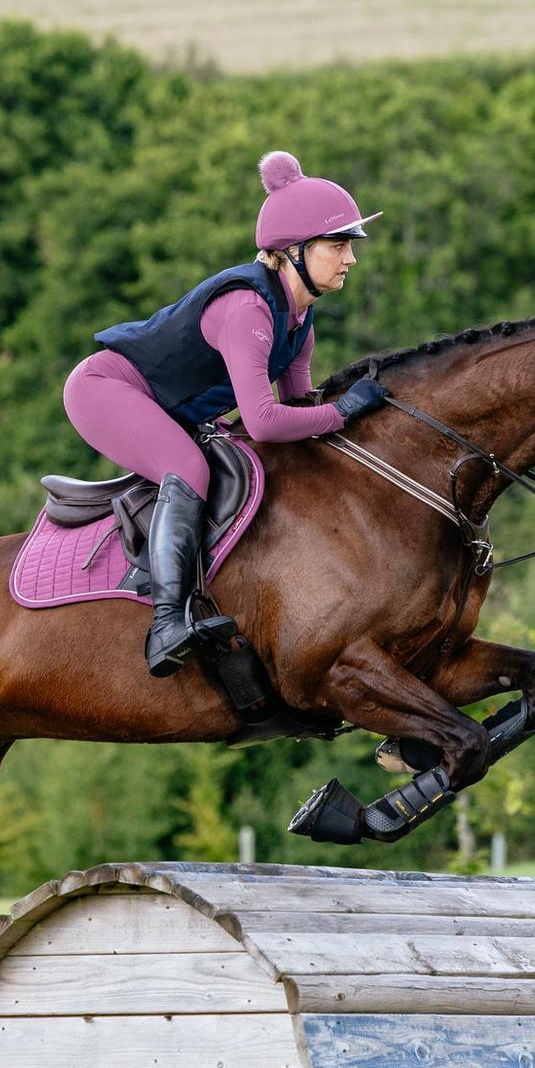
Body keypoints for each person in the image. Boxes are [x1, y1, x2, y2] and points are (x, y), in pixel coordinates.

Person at [64, 150, 390, 676]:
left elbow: (297, 409)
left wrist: (342, 421)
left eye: (349, 246)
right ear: (292, 252)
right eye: (338, 246)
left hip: (164, 405)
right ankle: (167, 624)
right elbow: (264, 421)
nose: (350, 258)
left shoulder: (299, 319)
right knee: (189, 469)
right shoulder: (249, 310)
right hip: (105, 388)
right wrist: (342, 411)